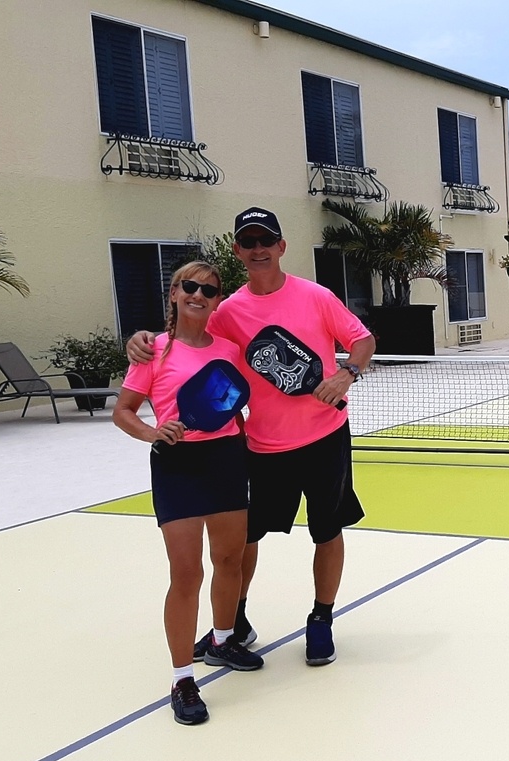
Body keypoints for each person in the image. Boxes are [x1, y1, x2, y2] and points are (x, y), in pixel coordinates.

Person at [127, 207, 375, 669]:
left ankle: (321, 620)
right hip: (260, 447)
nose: (259, 249)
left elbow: (362, 341)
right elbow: (189, 338)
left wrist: (346, 374)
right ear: (238, 250)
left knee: (327, 530)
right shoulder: (227, 312)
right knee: (244, 541)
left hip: (326, 438)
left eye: (267, 240)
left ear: (281, 246)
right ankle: (233, 624)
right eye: (249, 242)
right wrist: (141, 341)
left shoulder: (317, 296)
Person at [113, 260, 264, 726]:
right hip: (176, 466)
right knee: (185, 574)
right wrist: (154, 433)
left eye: (210, 290)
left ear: (218, 299)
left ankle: (221, 640)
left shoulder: (230, 348)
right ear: (175, 294)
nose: (200, 295)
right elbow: (124, 411)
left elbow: (235, 400)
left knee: (230, 560)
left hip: (226, 460)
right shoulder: (152, 351)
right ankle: (182, 679)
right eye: (190, 287)